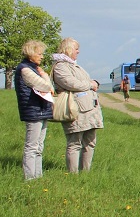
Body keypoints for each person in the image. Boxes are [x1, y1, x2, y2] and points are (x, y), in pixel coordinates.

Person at [50, 37, 104, 173]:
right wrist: (90, 85)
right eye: (76, 49)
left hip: (89, 109)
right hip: (75, 109)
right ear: (68, 49)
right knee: (75, 143)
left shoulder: (74, 65)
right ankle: (73, 175)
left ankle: (85, 172)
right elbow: (71, 83)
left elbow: (82, 81)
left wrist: (93, 83)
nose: (78, 52)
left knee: (90, 143)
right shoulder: (60, 66)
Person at [14, 40, 53, 180]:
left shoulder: (33, 69)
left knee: (39, 146)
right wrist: (45, 76)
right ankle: (30, 178)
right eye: (39, 53)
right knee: (32, 146)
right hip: (33, 110)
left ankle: (38, 177)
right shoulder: (25, 69)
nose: (42, 57)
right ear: (31, 54)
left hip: (41, 110)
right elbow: (45, 86)